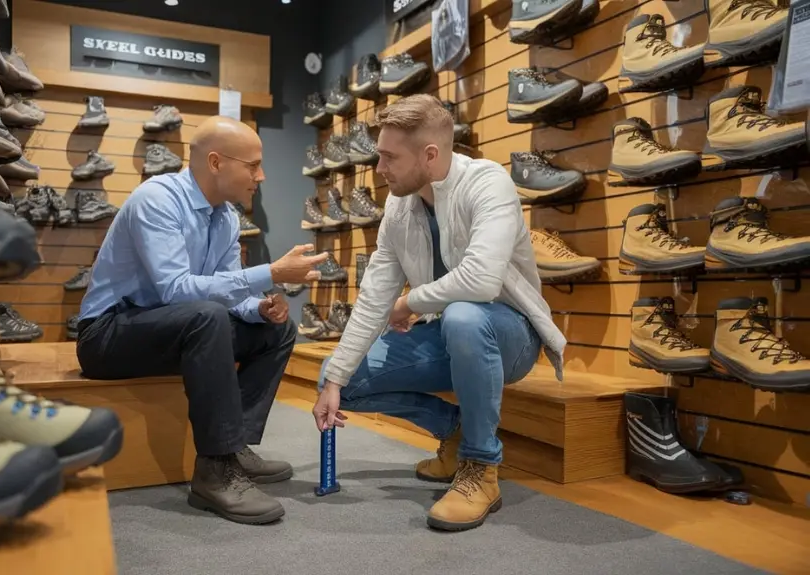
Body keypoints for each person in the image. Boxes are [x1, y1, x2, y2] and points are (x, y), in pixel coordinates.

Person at [311, 95, 567, 532]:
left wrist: (409, 302)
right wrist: (335, 377)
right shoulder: (399, 204)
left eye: (390, 157)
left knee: (465, 315)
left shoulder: (488, 183)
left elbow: (482, 281)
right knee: (337, 378)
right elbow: (375, 294)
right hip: (445, 335)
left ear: (430, 155)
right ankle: (455, 431)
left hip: (510, 335)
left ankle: (480, 468)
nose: (379, 169)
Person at [76, 116, 328, 525]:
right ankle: (214, 471)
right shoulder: (156, 199)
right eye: (252, 165)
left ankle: (236, 446)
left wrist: (259, 308)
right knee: (205, 316)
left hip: (173, 326)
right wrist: (273, 273)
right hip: (107, 335)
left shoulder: (225, 216)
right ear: (215, 162)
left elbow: (227, 294)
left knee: (277, 328)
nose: (260, 176)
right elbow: (176, 290)